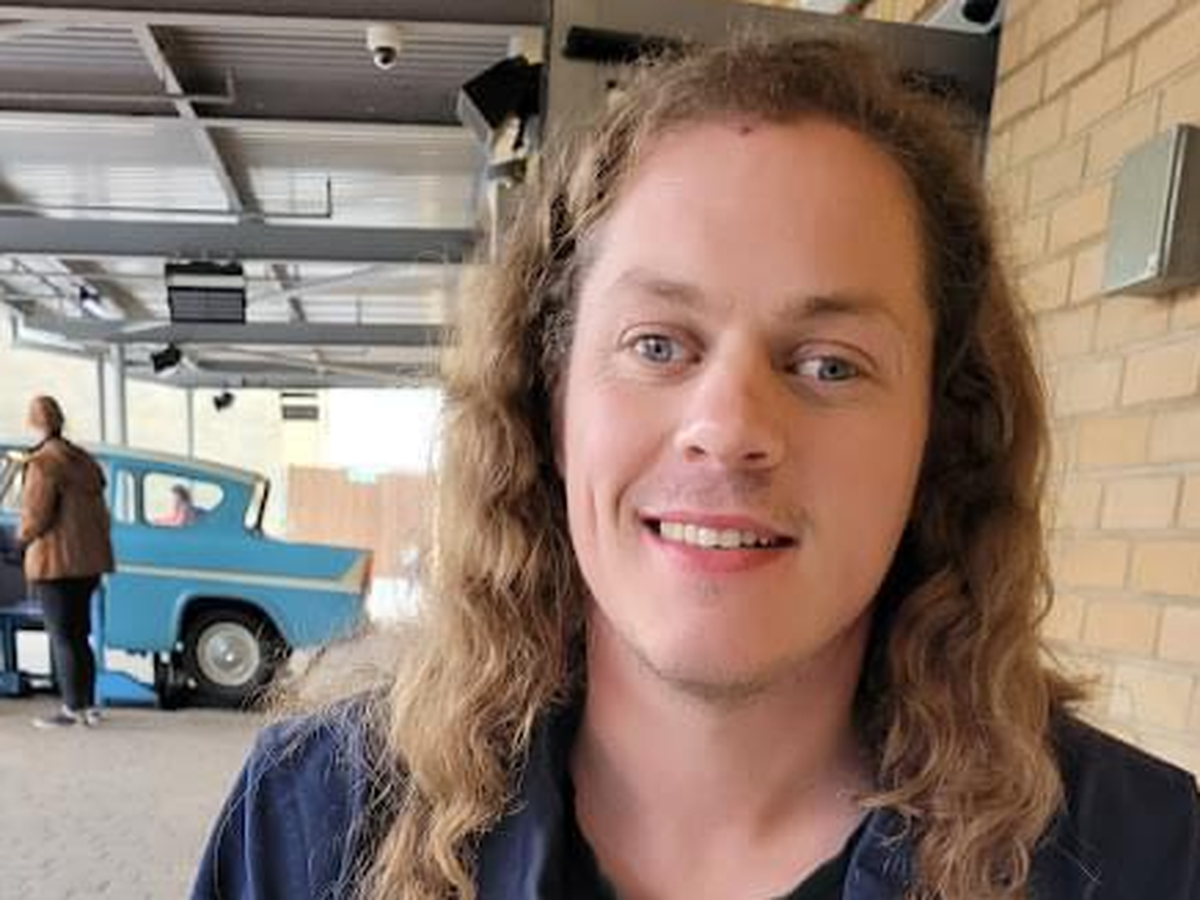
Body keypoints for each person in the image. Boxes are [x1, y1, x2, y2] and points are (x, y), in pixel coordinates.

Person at [194, 37, 1199, 900]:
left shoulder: (1140, 858)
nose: (727, 427)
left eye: (830, 364)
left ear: (942, 434)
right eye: (658, 345)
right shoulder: (320, 822)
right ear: (549, 404)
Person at [20, 395, 114, 729]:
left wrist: (20, 538)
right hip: (89, 563)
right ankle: (88, 706)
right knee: (80, 635)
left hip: (55, 563)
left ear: (35, 423)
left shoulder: (43, 463)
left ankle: (71, 708)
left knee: (62, 636)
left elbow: (36, 515)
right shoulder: (84, 461)